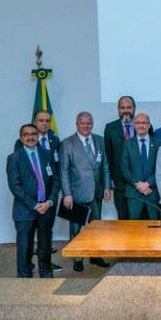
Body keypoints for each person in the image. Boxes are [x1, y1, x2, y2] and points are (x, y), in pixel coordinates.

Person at [13, 109, 63, 272]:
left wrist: (49, 201)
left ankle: (46, 276)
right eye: (26, 134)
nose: (30, 137)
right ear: (21, 138)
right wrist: (34, 205)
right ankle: (24, 280)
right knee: (25, 249)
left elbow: (55, 179)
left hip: (46, 208)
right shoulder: (15, 156)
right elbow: (15, 185)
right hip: (26, 210)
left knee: (45, 246)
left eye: (33, 134)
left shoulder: (47, 152)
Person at [60, 112, 111, 272]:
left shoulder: (99, 140)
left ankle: (96, 255)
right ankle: (77, 258)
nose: (86, 126)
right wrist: (67, 193)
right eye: (82, 123)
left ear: (92, 123)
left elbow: (105, 166)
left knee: (96, 227)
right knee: (76, 229)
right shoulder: (67, 143)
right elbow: (64, 171)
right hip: (76, 194)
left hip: (96, 192)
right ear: (77, 124)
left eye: (89, 123)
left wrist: (107, 187)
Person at [120, 113, 161, 220]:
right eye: (138, 123)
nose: (141, 125)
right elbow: (124, 169)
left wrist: (148, 183)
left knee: (155, 226)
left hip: (152, 191)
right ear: (133, 125)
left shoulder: (158, 143)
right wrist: (139, 185)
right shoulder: (127, 144)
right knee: (134, 229)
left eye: (144, 123)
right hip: (134, 193)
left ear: (149, 125)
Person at [103, 95, 136, 220]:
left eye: (129, 107)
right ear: (118, 109)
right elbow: (108, 156)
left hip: (139, 183)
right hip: (119, 183)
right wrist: (109, 181)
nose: (126, 110)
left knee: (140, 219)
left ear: (134, 109)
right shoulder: (110, 128)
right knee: (123, 218)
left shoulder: (143, 126)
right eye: (123, 108)